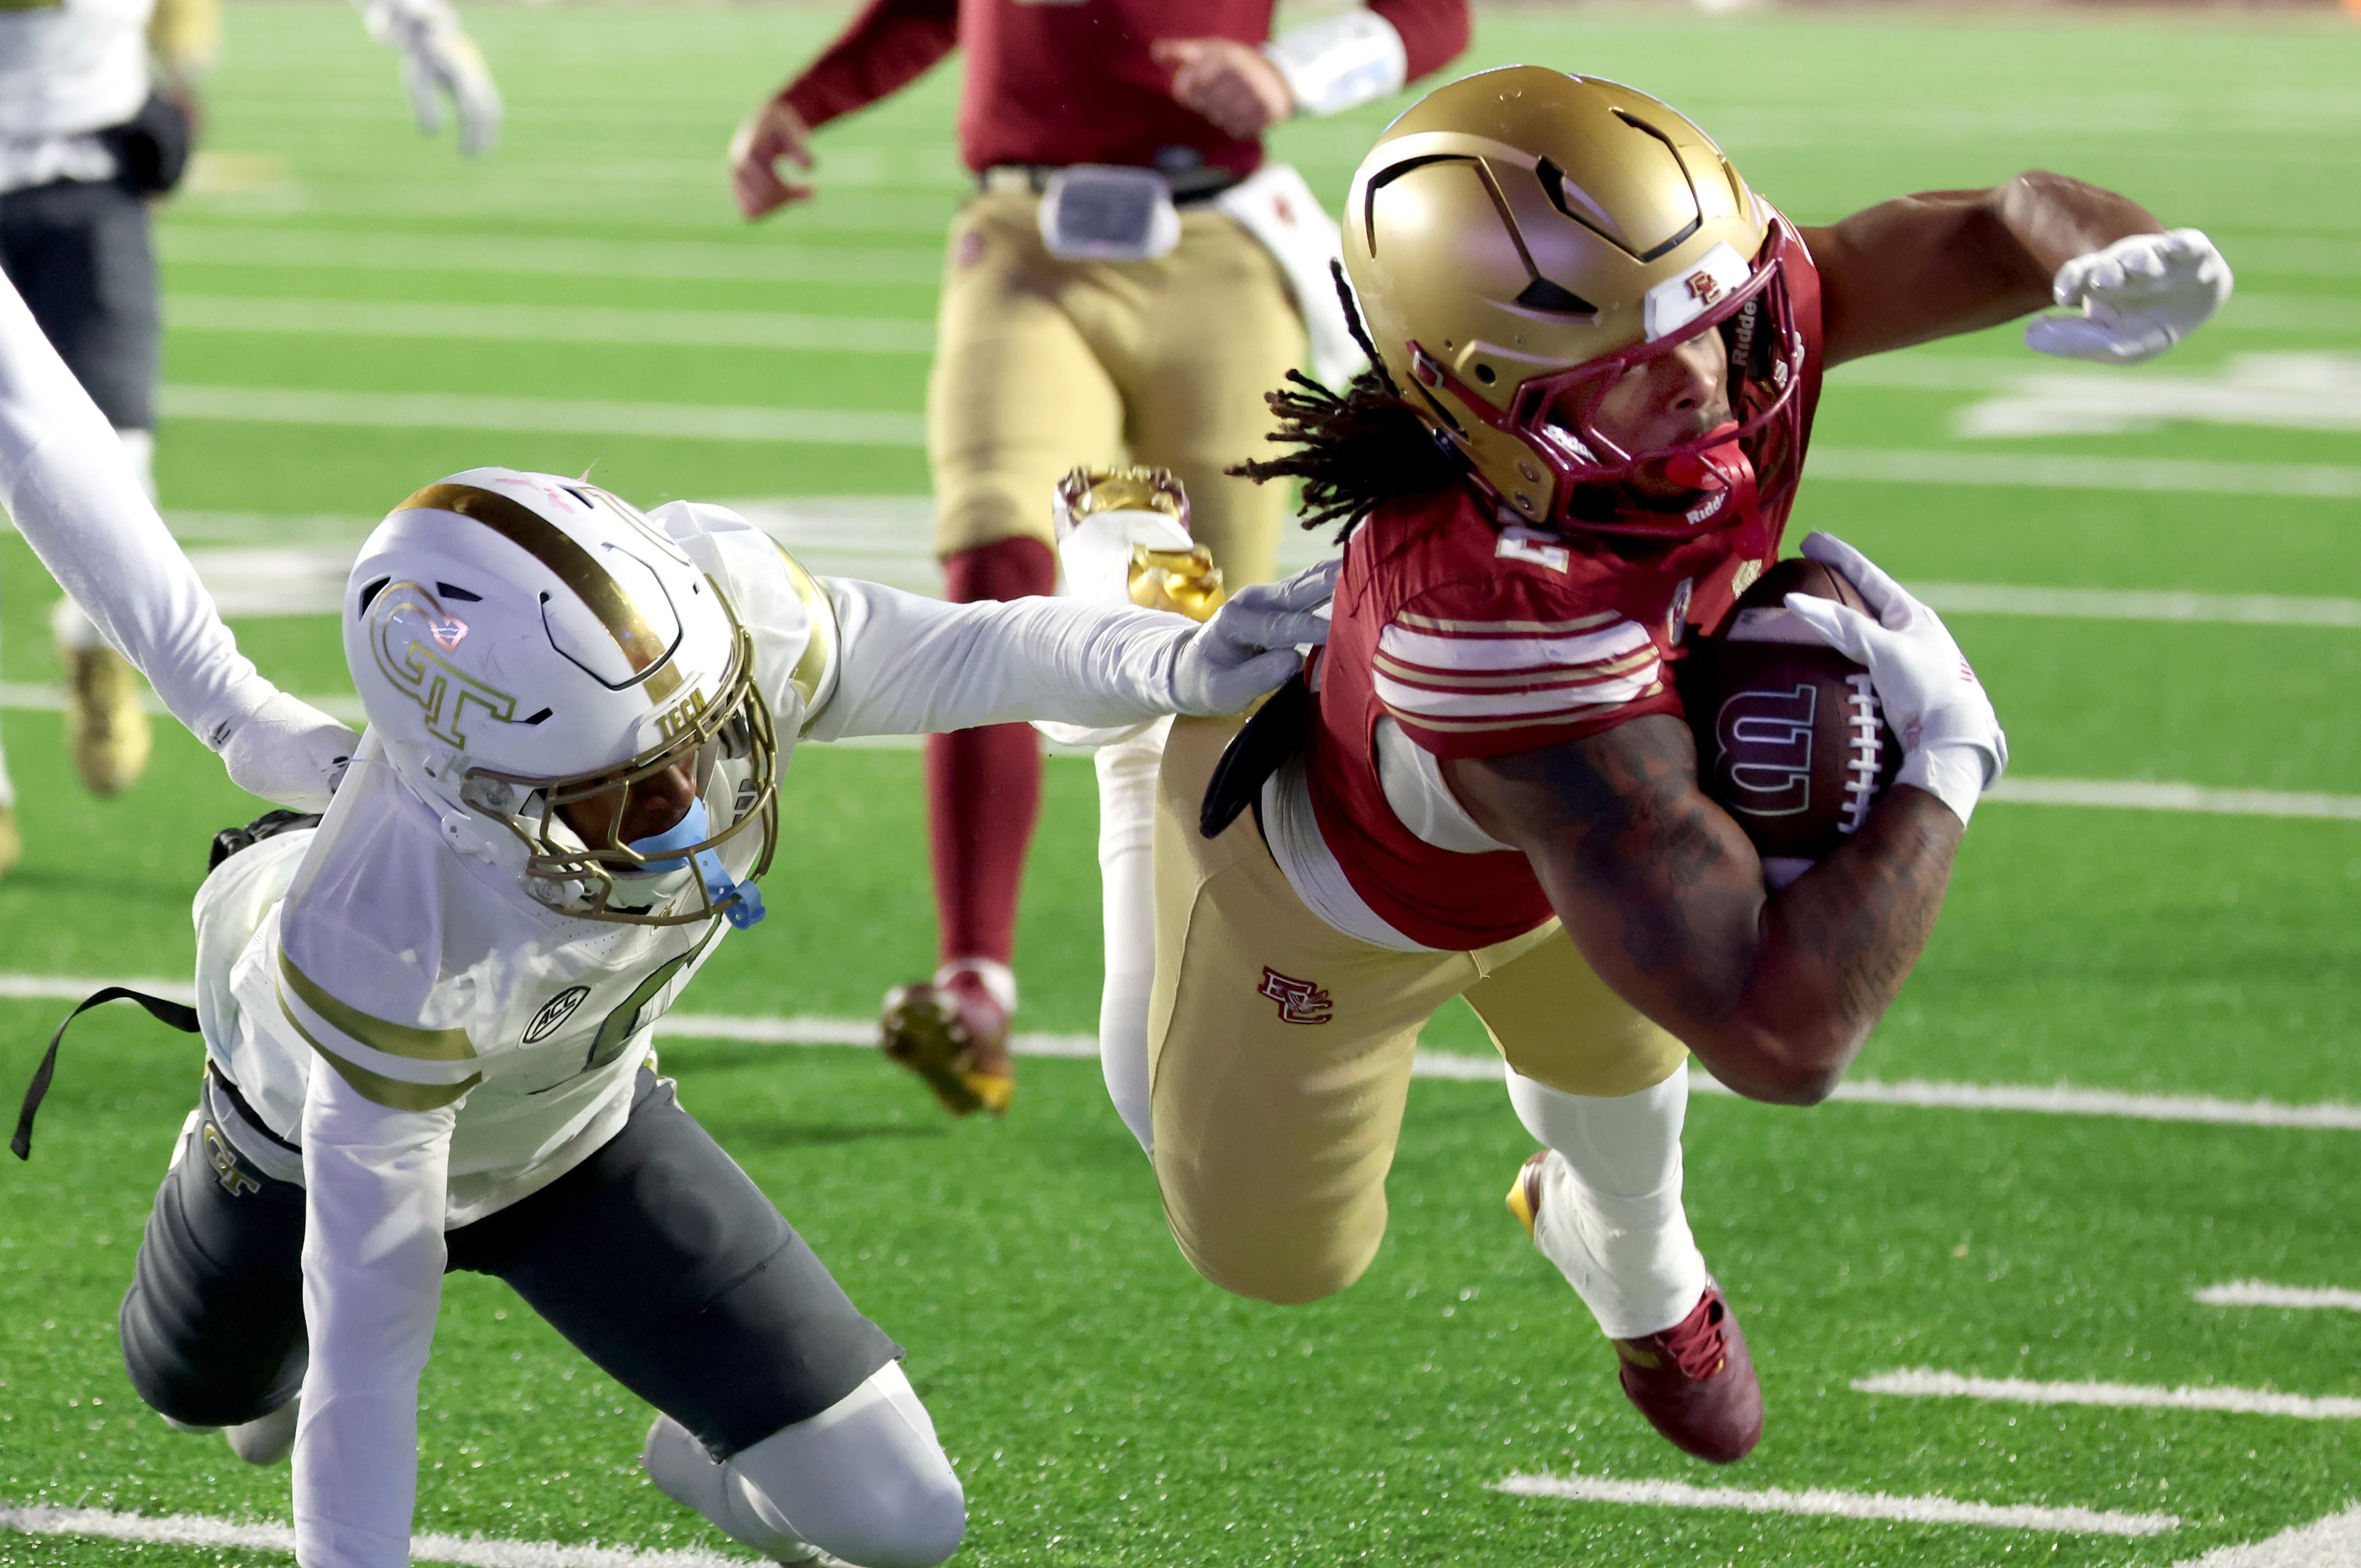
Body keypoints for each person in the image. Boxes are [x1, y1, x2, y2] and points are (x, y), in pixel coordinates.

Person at [0, 267, 1329, 1562]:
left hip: (576, 1128)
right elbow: (375, 1355)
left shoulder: (720, 624)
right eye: (629, 790)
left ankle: (703, 1453)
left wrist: (1173, 658)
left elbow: (969, 651)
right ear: (477, 798)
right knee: (224, 1400)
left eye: (698, 738)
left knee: (905, 1521)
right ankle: (218, 1178)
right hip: (306, 1133)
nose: (696, 797)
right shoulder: (388, 936)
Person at [1086, 67, 2231, 1464]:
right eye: (1624, 365)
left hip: (1586, 812)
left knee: (1626, 1108)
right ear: (1483, 404)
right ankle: (1139, 704)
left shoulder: (1724, 329)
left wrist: (2095, 250)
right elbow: (1785, 1038)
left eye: (1712, 314)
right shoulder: (1494, 625)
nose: (1699, 381)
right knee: (1267, 1246)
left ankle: (1647, 1284)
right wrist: (1952, 758)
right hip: (1338, 902)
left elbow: (1997, 226)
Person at [729, 0, 1469, 1116]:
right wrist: (804, 101)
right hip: (1025, 247)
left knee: (1220, 650)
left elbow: (1433, 13)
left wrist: (1290, 71)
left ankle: (1252, 979)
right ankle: (973, 979)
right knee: (994, 570)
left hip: (1220, 256)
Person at [0, 0, 500, 833]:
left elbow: (33, 424)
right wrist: (228, 702)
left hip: (85, 174)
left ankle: (89, 637)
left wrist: (418, 22)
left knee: (119, 461)